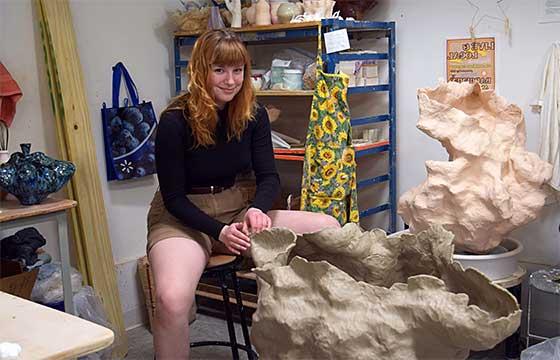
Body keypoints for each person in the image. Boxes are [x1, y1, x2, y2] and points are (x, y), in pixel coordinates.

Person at [147, 29, 341, 359]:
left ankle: (308, 339)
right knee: (172, 300)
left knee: (328, 229)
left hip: (236, 208)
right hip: (183, 217)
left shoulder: (253, 114)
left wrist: (257, 210)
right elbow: (174, 198)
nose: (230, 80)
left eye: (238, 71)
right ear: (200, 70)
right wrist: (219, 232)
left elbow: (269, 178)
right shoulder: (174, 121)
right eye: (219, 70)